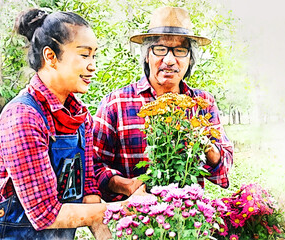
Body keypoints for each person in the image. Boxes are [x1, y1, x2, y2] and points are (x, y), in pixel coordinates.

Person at [0, 8, 118, 239]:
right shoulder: (23, 118)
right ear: (50, 57)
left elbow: (87, 187)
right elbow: (45, 215)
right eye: (84, 55)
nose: (93, 66)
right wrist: (124, 208)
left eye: (94, 55)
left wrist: (105, 235)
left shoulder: (80, 116)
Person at [93, 6, 233, 202]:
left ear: (190, 58)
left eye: (180, 50)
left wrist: (204, 142)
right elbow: (93, 166)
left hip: (187, 219)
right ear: (146, 55)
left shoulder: (203, 104)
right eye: (160, 49)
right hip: (135, 220)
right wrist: (129, 186)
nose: (169, 59)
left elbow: (223, 171)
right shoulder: (115, 103)